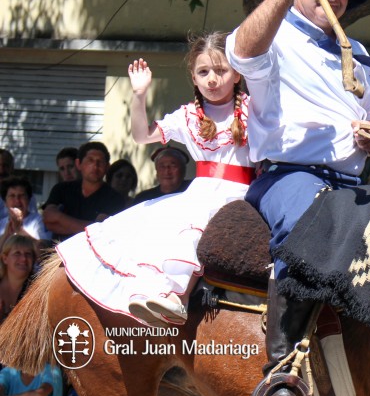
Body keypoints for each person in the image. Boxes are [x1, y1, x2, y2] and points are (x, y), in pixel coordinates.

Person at [224, 0, 370, 396]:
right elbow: (240, 54)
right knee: (310, 228)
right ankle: (282, 375)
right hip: (291, 177)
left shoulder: (357, 54)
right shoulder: (276, 31)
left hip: (351, 184)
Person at [56, 33, 254, 328]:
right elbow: (141, 136)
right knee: (151, 227)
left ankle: (177, 296)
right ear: (194, 78)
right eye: (203, 72)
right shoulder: (188, 116)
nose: (212, 79)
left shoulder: (254, 108)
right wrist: (139, 95)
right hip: (201, 191)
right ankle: (162, 295)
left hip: (243, 192)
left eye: (221, 70)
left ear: (237, 73)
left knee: (193, 224)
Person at [41, 142, 126, 243]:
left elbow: (102, 233)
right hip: (60, 254)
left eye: (100, 161)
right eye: (90, 160)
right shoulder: (61, 189)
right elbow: (48, 221)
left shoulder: (115, 198)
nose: (95, 166)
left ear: (107, 166)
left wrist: (59, 217)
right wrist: (91, 226)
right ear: (78, 164)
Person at [0, 235, 37, 325]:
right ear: (5, 258)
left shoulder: (35, 291)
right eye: (17, 253)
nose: (23, 259)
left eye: (28, 254)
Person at [0, 178, 47, 246]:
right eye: (12, 196)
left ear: (29, 199)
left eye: (21, 196)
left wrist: (19, 229)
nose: (17, 200)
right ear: (5, 202)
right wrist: (5, 235)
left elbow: (42, 249)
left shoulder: (39, 221)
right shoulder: (1, 224)